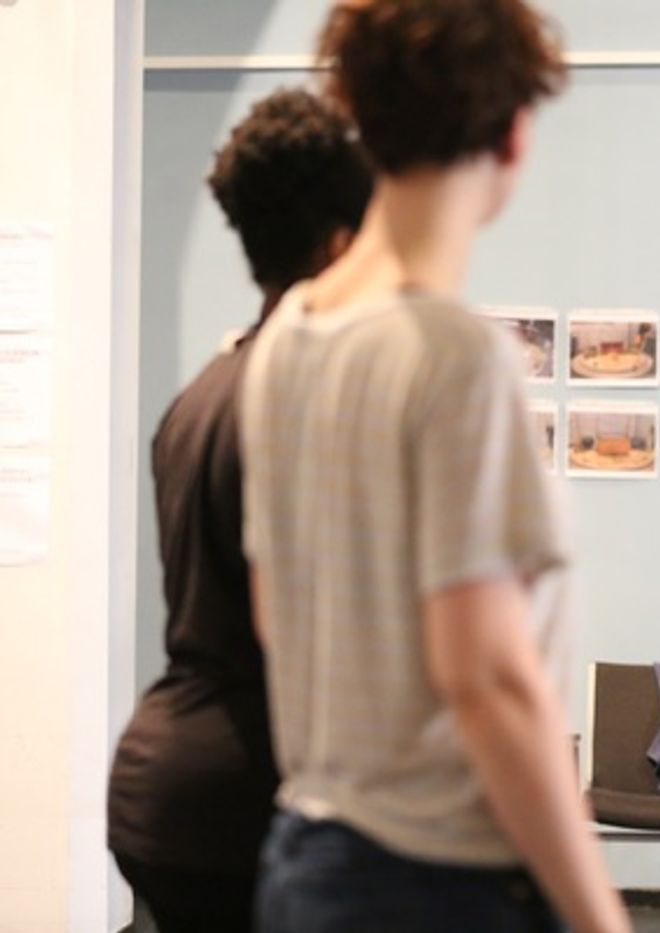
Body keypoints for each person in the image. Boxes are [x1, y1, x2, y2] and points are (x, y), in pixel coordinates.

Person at [238, 2, 629, 932]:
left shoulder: (289, 334)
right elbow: (487, 680)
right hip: (438, 882)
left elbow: (273, 611)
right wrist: (599, 914)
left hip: (307, 854)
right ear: (513, 131)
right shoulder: (454, 356)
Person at [105, 88, 373, 933]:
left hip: (165, 776)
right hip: (244, 797)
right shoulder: (293, 397)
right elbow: (289, 626)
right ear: (339, 240)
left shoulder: (199, 395)